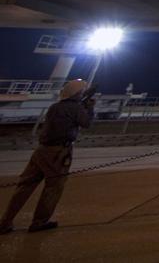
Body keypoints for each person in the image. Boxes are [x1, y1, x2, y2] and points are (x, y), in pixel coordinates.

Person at [0, 79, 96, 234]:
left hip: (41, 150)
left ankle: (5, 222)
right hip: (58, 153)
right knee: (53, 188)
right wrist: (89, 108)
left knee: (24, 186)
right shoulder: (75, 108)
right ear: (78, 94)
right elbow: (87, 123)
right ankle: (39, 222)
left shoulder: (54, 107)